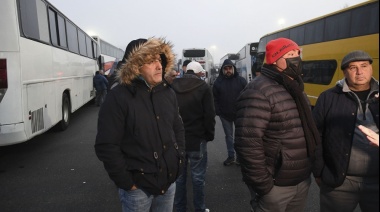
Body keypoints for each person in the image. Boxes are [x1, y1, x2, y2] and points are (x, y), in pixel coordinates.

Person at [94, 38, 186, 212]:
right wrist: (127, 183)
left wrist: (179, 160)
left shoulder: (167, 93)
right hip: (138, 190)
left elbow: (178, 128)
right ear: (135, 66)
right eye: (151, 61)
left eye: (159, 60)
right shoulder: (118, 97)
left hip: (168, 181)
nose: (159, 66)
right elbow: (106, 144)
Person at [234, 38, 320, 212]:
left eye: (297, 54)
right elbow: (247, 143)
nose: (296, 59)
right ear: (274, 59)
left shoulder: (295, 87)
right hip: (276, 186)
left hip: (301, 180)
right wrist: (265, 185)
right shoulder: (258, 91)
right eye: (289, 55)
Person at [312, 50, 379, 212]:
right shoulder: (328, 97)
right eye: (352, 67)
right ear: (344, 72)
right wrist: (319, 171)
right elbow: (316, 136)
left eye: (364, 66)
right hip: (339, 183)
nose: (359, 72)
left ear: (371, 68)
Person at [171, 61, 216, 212]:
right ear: (198, 73)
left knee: (179, 178)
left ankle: (179, 208)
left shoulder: (172, 86)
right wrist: (209, 135)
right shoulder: (203, 87)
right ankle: (200, 208)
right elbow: (209, 115)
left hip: (177, 141)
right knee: (198, 178)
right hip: (197, 140)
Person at [212, 59, 247, 166]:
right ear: (222, 70)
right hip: (225, 114)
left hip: (239, 113)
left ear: (233, 69)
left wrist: (245, 109)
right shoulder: (218, 82)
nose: (228, 70)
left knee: (239, 136)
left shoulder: (241, 81)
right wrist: (218, 111)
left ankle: (240, 157)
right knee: (229, 136)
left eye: (229, 68)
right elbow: (214, 98)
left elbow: (247, 96)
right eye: (226, 68)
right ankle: (231, 156)